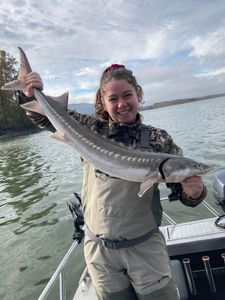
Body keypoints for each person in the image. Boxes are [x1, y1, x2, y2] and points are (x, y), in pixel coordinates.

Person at [17, 64, 207, 300]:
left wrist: (195, 192)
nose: (121, 104)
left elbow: (184, 194)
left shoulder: (159, 139)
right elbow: (43, 117)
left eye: (127, 95)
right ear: (103, 102)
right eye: (113, 98)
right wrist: (28, 91)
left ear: (138, 94)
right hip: (100, 251)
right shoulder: (89, 128)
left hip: (145, 248)